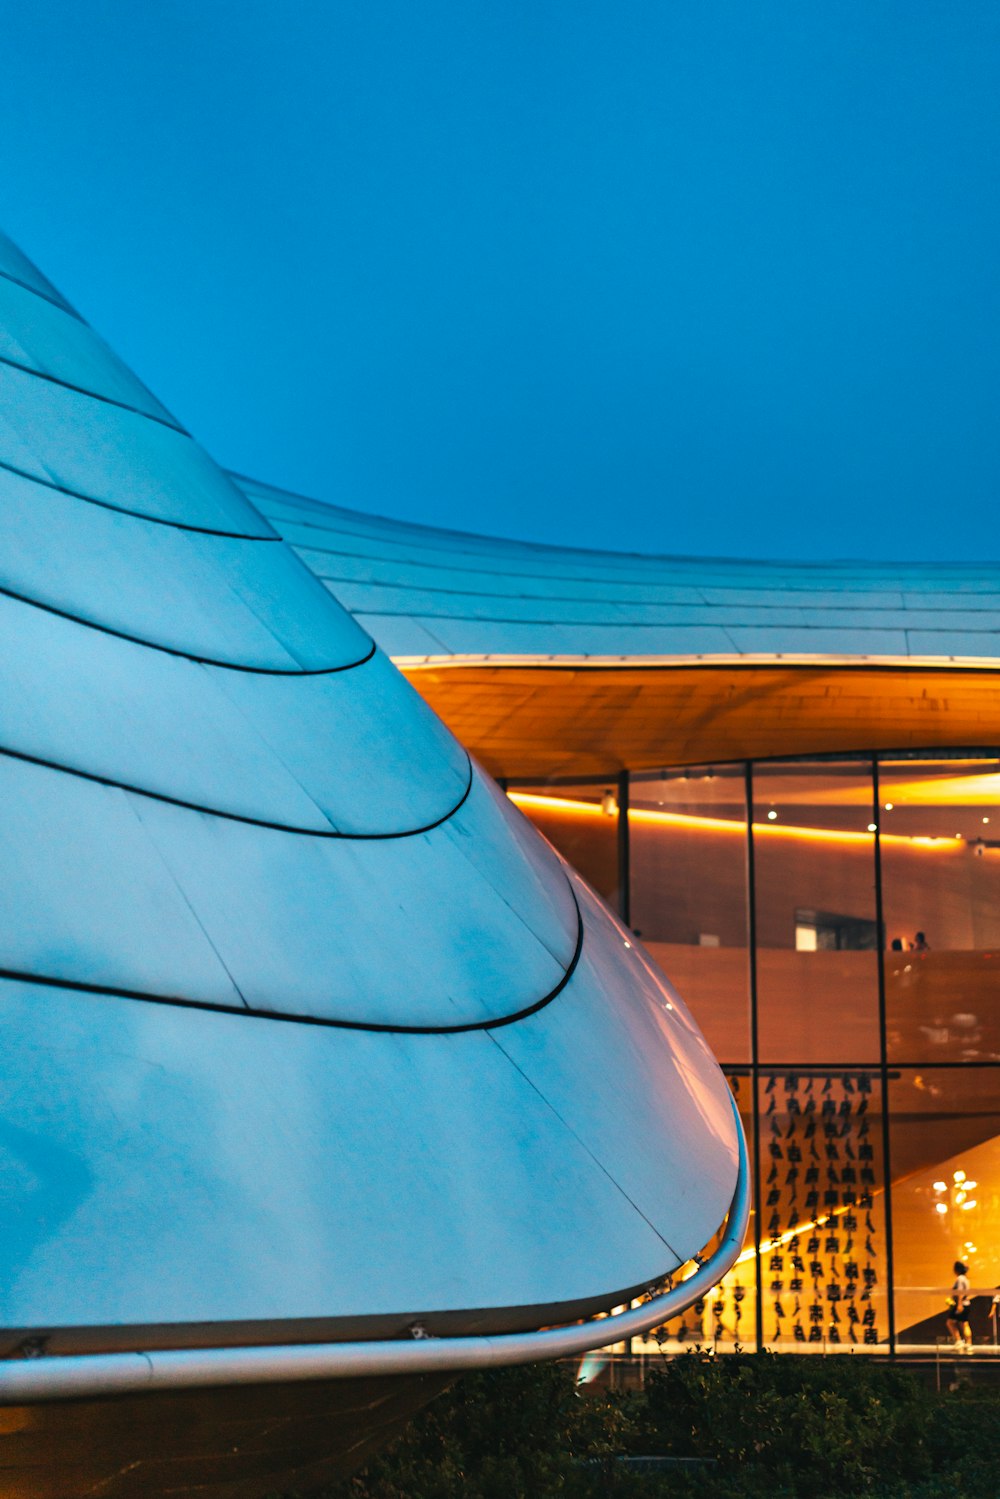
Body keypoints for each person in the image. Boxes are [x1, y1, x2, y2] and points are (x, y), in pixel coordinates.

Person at [946, 1260, 972, 1352]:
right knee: (964, 1323)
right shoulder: (965, 1279)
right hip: (967, 1304)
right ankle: (968, 1343)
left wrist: (959, 1305)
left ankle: (958, 1340)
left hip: (961, 1304)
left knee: (950, 1322)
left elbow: (960, 1292)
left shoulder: (960, 1279)